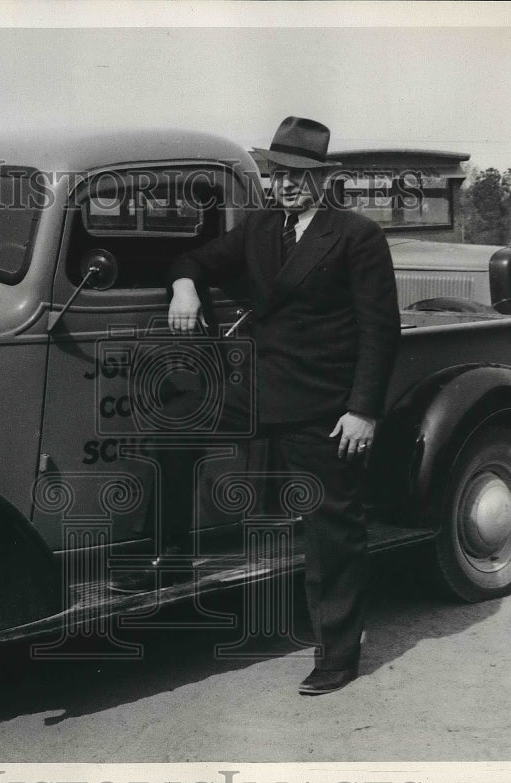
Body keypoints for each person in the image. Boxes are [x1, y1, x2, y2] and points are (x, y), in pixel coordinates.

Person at [165, 116, 401, 695]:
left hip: (324, 402)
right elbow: (194, 260)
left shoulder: (355, 235)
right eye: (278, 173)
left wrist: (363, 410)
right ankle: (168, 559)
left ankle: (338, 655)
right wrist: (185, 287)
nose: (287, 184)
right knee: (167, 425)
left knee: (329, 529)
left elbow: (381, 330)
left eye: (300, 175)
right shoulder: (260, 228)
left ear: (324, 179)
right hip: (258, 387)